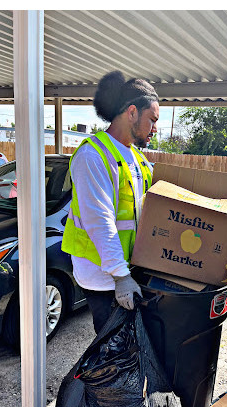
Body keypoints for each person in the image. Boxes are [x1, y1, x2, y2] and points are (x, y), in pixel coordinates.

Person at [61, 71, 159, 334]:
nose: (155, 128)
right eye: (152, 119)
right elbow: (100, 222)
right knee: (110, 353)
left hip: (126, 271)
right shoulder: (92, 155)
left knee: (128, 348)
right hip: (103, 277)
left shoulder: (138, 160)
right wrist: (121, 277)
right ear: (131, 113)